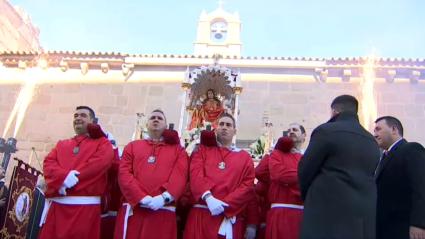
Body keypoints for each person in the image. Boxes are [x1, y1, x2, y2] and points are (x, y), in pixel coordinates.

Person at [298, 95, 380, 239]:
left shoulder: (326, 131)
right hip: (362, 213)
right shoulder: (371, 140)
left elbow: (306, 169)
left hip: (327, 209)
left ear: (335, 111)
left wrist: (309, 196)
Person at [39, 106, 114, 239]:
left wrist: (71, 180)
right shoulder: (61, 144)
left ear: (93, 121)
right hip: (57, 209)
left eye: (83, 115)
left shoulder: (103, 143)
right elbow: (48, 163)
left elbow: (99, 164)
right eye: (76, 116)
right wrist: (64, 178)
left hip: (85, 210)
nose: (78, 118)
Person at [114, 109, 189, 239]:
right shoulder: (132, 146)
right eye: (152, 118)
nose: (156, 119)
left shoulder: (178, 150)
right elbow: (124, 174)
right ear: (146, 125)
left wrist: (164, 197)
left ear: (166, 126)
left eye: (160, 118)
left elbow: (180, 176)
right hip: (135, 209)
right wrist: (140, 197)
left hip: (163, 210)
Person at [183, 113, 255, 239]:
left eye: (228, 125)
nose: (224, 127)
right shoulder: (202, 150)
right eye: (221, 124)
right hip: (201, 214)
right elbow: (196, 175)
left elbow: (247, 185)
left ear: (234, 131)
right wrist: (208, 197)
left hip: (226, 215)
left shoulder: (244, 157)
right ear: (216, 128)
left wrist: (225, 204)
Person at [374, 116, 425, 239]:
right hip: (386, 228)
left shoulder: (411, 149)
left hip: (404, 228)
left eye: (378, 129)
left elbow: (421, 186)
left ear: (394, 129)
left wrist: (419, 223)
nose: (374, 134)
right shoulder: (384, 156)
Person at [266, 124, 306, 239]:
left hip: (302, 214)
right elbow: (278, 174)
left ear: (304, 136)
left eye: (295, 130)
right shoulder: (277, 154)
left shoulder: (309, 156)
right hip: (280, 213)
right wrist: (306, 174)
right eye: (289, 130)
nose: (291, 132)